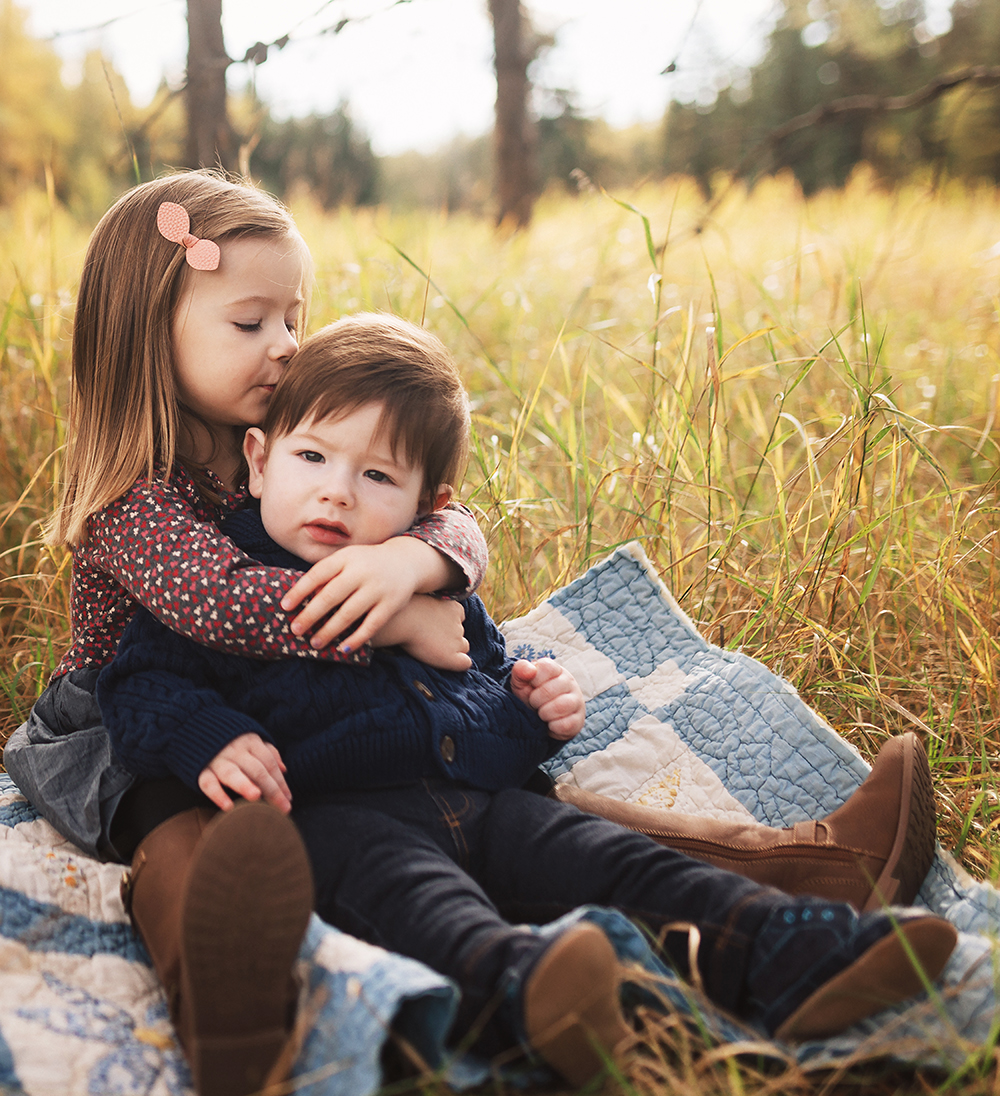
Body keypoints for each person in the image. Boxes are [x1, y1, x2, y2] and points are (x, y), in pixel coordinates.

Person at [97, 314, 958, 1087]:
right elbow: (138, 682)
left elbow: (482, 683)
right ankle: (529, 996)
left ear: (427, 508)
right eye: (313, 458)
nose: (337, 492)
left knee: (622, 864)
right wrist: (211, 737)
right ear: (260, 460)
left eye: (377, 477)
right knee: (432, 912)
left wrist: (528, 711)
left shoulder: (433, 589)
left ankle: (794, 950)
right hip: (342, 823)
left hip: (485, 804)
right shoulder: (224, 572)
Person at [3, 174, 489, 1096]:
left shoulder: (284, 436)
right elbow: (223, 603)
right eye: (250, 323)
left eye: (293, 319)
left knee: (449, 766)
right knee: (178, 825)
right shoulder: (129, 496)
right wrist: (390, 617)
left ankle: (757, 863)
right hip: (125, 715)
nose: (286, 347)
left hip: (255, 689)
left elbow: (449, 515)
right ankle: (221, 997)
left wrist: (414, 566)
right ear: (153, 332)